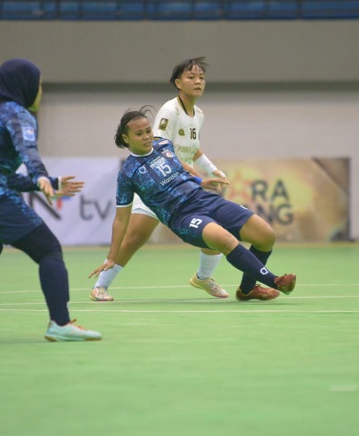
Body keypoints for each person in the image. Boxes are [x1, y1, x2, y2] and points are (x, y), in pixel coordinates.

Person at [0, 58, 102, 342]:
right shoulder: (18, 112)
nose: (41, 91)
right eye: (39, 85)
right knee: (49, 250)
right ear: (24, 86)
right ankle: (60, 324)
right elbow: (28, 150)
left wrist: (46, 183)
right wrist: (40, 175)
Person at [90, 108, 296, 302]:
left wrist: (199, 181)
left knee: (265, 235)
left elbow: (178, 164)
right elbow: (121, 219)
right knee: (224, 238)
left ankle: (247, 290)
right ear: (126, 139)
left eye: (148, 131)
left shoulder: (163, 144)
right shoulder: (128, 173)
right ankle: (275, 280)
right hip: (181, 216)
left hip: (204, 199)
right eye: (139, 134)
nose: (146, 136)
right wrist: (111, 255)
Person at [90, 57, 232, 302]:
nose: (198, 81)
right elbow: (159, 146)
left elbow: (193, 147)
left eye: (201, 78)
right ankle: (100, 287)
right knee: (134, 238)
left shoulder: (198, 114)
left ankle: (203, 278)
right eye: (191, 77)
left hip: (183, 188)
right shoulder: (169, 111)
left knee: (212, 232)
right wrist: (186, 170)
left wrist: (212, 169)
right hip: (157, 185)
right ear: (178, 83)